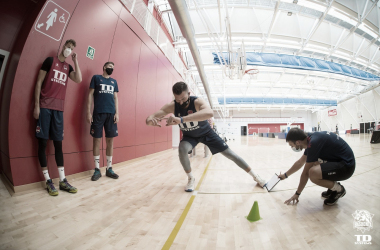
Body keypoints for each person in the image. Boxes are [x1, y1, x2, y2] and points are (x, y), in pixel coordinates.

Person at [146, 82, 266, 192]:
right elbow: (151, 117)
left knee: (231, 154)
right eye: (178, 100)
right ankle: (191, 178)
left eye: (183, 98)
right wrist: (150, 121)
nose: (181, 102)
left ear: (189, 93)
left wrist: (181, 119)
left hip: (207, 134)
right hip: (190, 136)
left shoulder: (197, 102)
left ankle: (255, 176)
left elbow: (209, 113)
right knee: (182, 149)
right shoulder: (172, 106)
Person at [33, 39, 82, 196]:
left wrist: (76, 61)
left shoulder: (68, 67)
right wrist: (36, 105)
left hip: (58, 111)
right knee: (42, 143)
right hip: (45, 107)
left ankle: (62, 180)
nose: (69, 50)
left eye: (72, 49)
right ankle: (48, 181)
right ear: (63, 47)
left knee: (58, 145)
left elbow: (79, 79)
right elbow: (39, 82)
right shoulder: (50, 61)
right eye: (68, 47)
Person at [278, 128, 355, 206]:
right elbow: (300, 162)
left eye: (292, 145)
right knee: (315, 163)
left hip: (347, 167)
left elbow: (305, 174)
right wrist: (285, 175)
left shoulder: (313, 143)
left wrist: (297, 194)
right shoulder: (309, 140)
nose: (292, 148)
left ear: (298, 142)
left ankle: (339, 190)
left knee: (313, 172)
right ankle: (333, 188)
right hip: (341, 162)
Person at [87, 62, 119, 181]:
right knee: (97, 140)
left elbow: (115, 98)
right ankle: (96, 169)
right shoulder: (96, 78)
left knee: (110, 141)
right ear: (104, 67)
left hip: (111, 114)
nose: (112, 69)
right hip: (98, 114)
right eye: (110, 67)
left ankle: (109, 168)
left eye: (113, 68)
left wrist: (117, 113)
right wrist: (88, 112)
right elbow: (90, 95)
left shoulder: (114, 82)